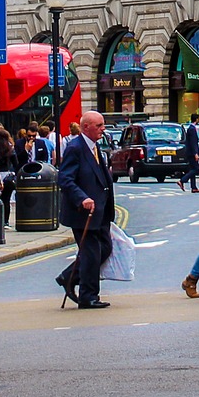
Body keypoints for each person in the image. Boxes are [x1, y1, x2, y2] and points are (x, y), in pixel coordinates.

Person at [56, 110, 115, 309]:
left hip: (101, 212)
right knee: (91, 253)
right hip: (83, 212)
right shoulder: (75, 148)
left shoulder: (96, 148)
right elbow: (65, 179)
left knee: (105, 249)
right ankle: (88, 296)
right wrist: (82, 198)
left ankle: (68, 276)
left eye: (103, 125)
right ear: (86, 127)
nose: (102, 129)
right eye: (98, 126)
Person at [180, 116, 199, 193]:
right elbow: (193, 142)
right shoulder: (192, 129)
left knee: (192, 169)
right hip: (192, 153)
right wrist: (195, 153)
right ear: (196, 119)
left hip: (190, 153)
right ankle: (182, 180)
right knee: (196, 169)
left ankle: (194, 187)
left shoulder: (190, 128)